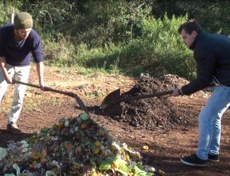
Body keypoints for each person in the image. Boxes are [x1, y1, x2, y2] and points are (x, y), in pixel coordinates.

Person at [172, 19, 230, 167]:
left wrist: (181, 91)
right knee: (214, 115)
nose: (184, 42)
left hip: (228, 85)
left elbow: (203, 80)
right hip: (227, 82)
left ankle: (201, 156)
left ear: (194, 33)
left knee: (204, 117)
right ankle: (212, 152)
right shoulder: (212, 39)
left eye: (185, 37)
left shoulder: (202, 48)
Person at [0, 12, 46, 133]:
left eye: (28, 31)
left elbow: (39, 61)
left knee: (19, 94)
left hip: (23, 65)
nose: (26, 34)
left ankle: (12, 122)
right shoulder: (4, 32)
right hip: (6, 63)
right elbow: (1, 57)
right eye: (22, 32)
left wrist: (42, 81)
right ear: (16, 29)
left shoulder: (33, 37)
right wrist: (5, 74)